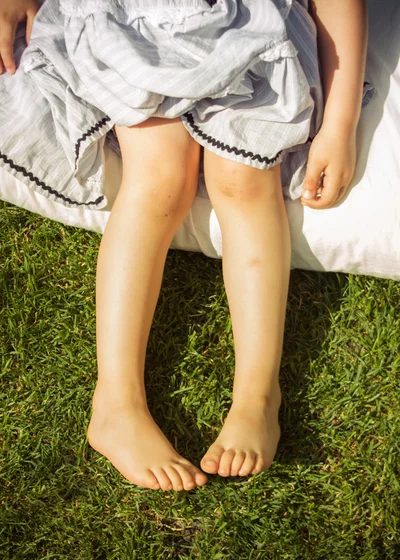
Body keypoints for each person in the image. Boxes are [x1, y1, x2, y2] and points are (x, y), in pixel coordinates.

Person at [0, 0, 373, 492]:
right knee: (159, 179)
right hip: (135, 25)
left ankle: (258, 396)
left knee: (245, 182)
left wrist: (340, 126)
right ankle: (116, 402)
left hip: (251, 31)